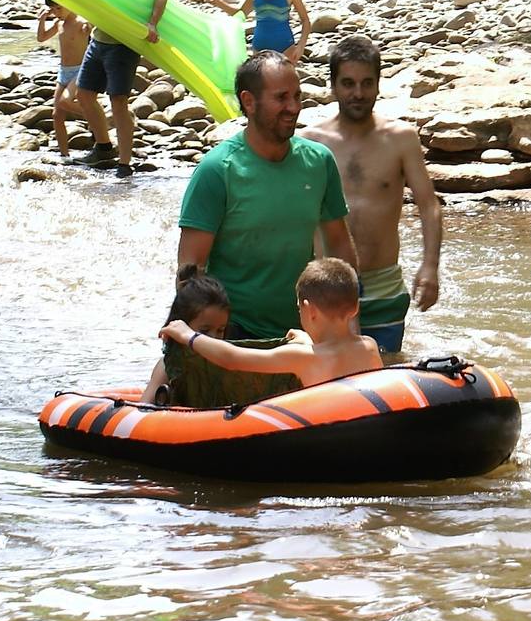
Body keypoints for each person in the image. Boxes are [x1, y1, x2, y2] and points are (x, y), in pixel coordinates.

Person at [176, 52, 359, 341]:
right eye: (282, 98)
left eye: (297, 96)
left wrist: (348, 326)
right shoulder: (217, 170)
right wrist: (197, 346)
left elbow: (339, 245)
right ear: (249, 102)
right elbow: (190, 271)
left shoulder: (319, 161)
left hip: (301, 333)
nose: (294, 107)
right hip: (235, 335)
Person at [300, 33, 443, 353]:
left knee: (387, 369)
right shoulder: (311, 143)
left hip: (384, 284)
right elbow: (294, 214)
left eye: (367, 83)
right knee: (328, 380)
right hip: (327, 285)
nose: (358, 93)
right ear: (333, 86)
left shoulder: (401, 139)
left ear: (379, 84)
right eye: (348, 83)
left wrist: (430, 265)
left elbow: (428, 206)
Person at [164, 257, 381, 389]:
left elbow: (232, 358)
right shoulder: (369, 347)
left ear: (310, 310)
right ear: (355, 308)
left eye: (299, 308)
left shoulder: (300, 358)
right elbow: (331, 356)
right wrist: (306, 340)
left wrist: (188, 335)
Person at [73, 0, 164, 177]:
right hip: (99, 38)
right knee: (84, 94)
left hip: (124, 42)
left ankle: (125, 164)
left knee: (118, 102)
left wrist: (153, 23)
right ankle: (103, 148)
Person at [142, 263, 233, 405]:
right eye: (204, 331)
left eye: (220, 330)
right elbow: (143, 411)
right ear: (180, 327)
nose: (214, 338)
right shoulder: (167, 367)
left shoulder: (227, 363)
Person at [35, 0, 110, 162]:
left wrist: (90, 26)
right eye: (53, 10)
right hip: (64, 72)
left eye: (59, 8)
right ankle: (64, 156)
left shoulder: (82, 22)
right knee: (57, 115)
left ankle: (99, 121)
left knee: (65, 101)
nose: (56, 13)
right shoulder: (58, 24)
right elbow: (41, 38)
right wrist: (42, 20)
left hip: (80, 70)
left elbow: (94, 28)